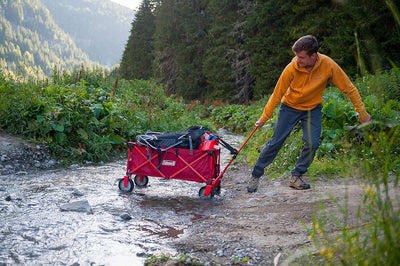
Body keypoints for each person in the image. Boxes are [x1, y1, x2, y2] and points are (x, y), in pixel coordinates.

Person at [247, 35, 371, 192]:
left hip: (312, 109)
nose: (297, 60)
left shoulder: (328, 65)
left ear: (314, 56)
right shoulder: (291, 68)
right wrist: (264, 118)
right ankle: (255, 175)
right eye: (296, 56)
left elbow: (349, 88)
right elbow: (277, 94)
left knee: (313, 143)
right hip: (289, 107)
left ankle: (296, 176)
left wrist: (362, 113)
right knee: (276, 141)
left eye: (301, 57)